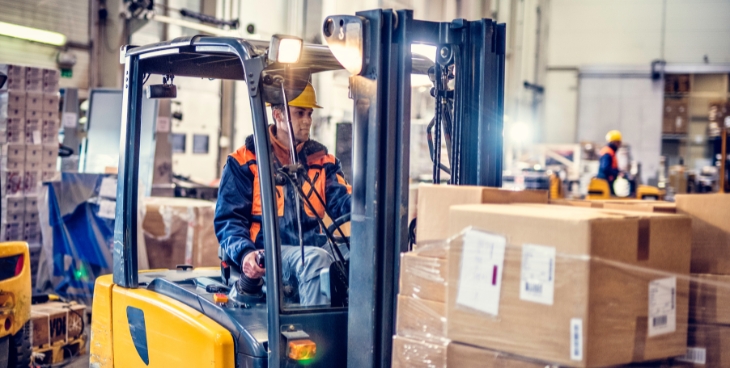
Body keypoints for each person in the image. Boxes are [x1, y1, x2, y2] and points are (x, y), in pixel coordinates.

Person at [215, 82, 351, 307]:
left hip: (311, 246)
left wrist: (371, 202)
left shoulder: (322, 161)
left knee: (363, 253)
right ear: (277, 114)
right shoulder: (244, 161)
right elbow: (229, 221)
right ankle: (315, 337)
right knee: (314, 260)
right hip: (268, 252)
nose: (307, 120)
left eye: (309, 113)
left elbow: (342, 202)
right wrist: (245, 253)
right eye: (299, 113)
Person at [597, 130, 622, 194]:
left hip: (607, 181)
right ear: (614, 142)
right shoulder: (608, 152)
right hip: (605, 181)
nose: (619, 145)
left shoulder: (610, 151)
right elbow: (605, 168)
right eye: (618, 142)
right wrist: (617, 172)